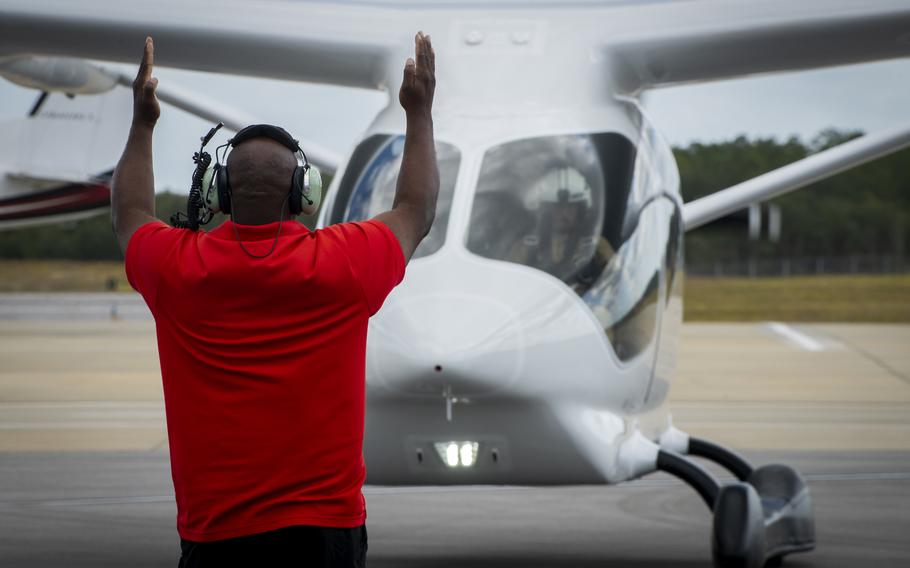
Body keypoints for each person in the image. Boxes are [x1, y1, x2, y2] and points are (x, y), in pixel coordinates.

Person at [111, 32, 438, 567]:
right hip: (325, 534)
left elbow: (129, 216)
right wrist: (419, 113)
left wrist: (142, 125)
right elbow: (415, 210)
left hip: (216, 536)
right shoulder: (344, 264)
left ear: (219, 192)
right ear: (302, 194)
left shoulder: (176, 269)